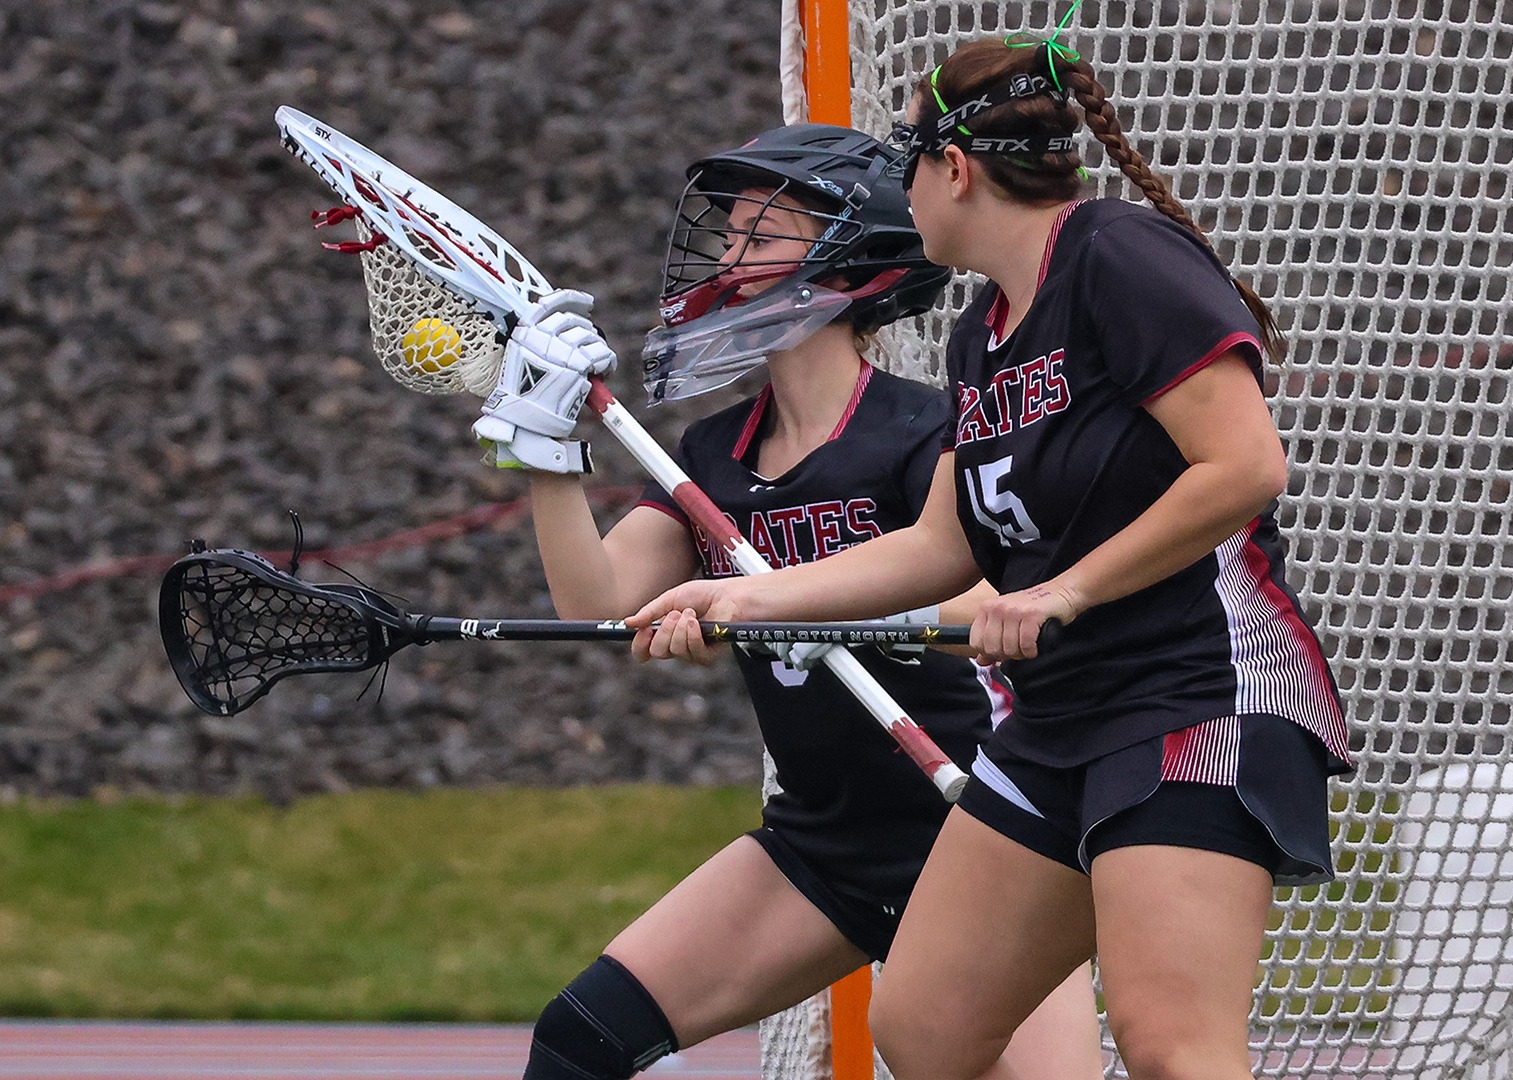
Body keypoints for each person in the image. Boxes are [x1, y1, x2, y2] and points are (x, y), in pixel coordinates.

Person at [627, 38, 1356, 1080]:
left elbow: (1244, 466)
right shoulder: (983, 337)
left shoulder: (1115, 255)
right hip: (1061, 721)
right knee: (926, 1027)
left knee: (1172, 1046)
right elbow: (939, 545)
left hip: (1197, 697)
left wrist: (1069, 588)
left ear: (954, 169)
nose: (900, 195)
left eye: (906, 167)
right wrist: (744, 597)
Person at [472, 124, 1103, 1080]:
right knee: (579, 1043)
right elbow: (598, 602)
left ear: (852, 253)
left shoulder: (925, 428)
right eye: (725, 234)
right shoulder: (713, 457)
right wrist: (548, 456)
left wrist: (776, 607)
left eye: (760, 231)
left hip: (984, 834)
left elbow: (982, 608)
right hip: (827, 845)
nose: (726, 256)